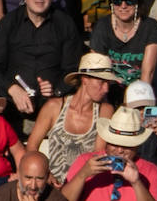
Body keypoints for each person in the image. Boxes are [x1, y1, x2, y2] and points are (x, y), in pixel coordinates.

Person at [0, 0, 82, 117]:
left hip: (52, 106)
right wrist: (12, 89)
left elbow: (72, 69)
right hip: (12, 105)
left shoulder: (65, 24)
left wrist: (56, 88)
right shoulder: (9, 23)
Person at [26, 50, 117, 186]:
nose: (106, 89)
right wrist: (46, 173)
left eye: (108, 83)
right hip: (53, 185)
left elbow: (98, 154)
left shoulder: (105, 110)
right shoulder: (54, 107)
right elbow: (32, 146)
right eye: (101, 82)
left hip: (87, 184)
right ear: (85, 79)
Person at [88, 0, 157, 86]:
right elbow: (97, 71)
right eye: (118, 1)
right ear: (112, 3)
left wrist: (138, 100)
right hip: (107, 90)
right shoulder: (102, 26)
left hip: (139, 90)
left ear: (138, 2)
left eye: (129, 1)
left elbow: (148, 74)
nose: (123, 6)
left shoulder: (150, 27)